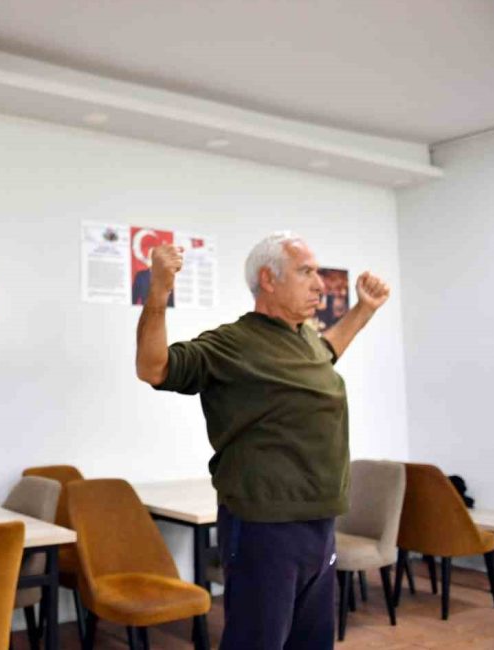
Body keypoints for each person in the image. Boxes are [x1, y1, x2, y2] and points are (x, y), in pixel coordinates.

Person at [135, 232, 390, 650]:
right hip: (264, 526)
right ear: (268, 280)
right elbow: (153, 368)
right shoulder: (233, 343)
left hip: (321, 522)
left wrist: (364, 309)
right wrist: (159, 290)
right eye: (306, 272)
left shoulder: (306, 338)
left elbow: (326, 354)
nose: (320, 284)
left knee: (311, 642)